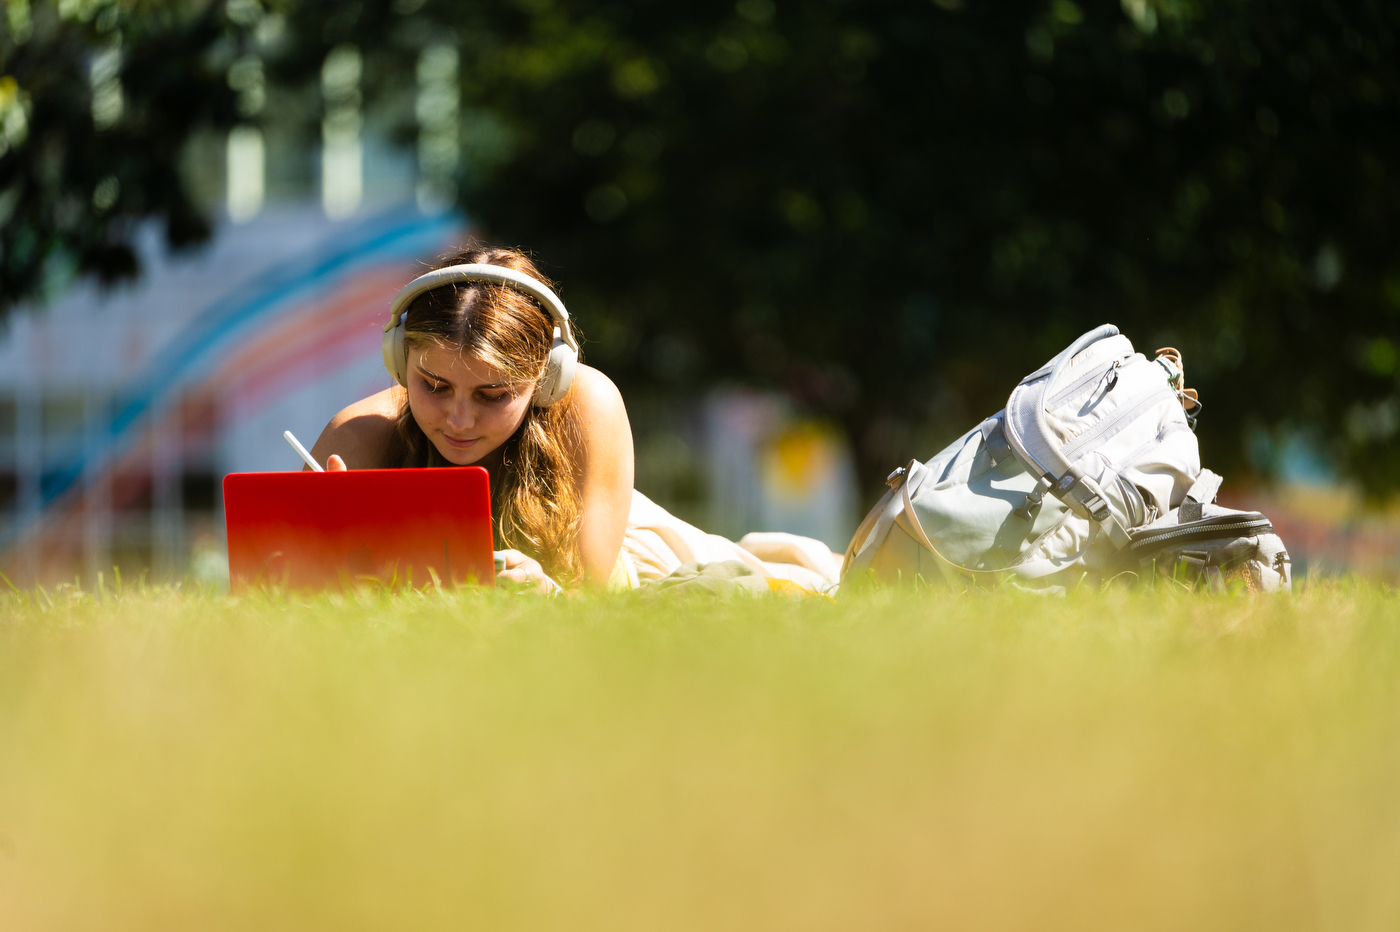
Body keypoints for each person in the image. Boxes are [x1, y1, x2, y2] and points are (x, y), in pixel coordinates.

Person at [307, 244, 843, 594]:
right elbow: (288, 597)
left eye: (494, 394)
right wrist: (331, 543)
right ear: (401, 361)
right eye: (435, 387)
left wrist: (547, 591)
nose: (460, 419)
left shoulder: (587, 402)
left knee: (785, 585)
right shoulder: (360, 436)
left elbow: (593, 593)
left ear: (548, 379)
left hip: (637, 562)